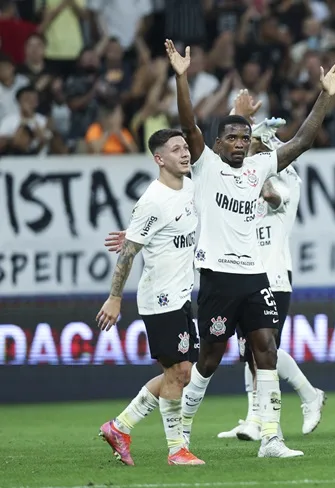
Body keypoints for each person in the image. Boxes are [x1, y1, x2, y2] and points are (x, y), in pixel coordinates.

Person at [165, 40, 335, 458]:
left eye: (245, 137)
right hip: (216, 277)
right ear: (217, 142)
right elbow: (189, 124)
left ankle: (271, 437)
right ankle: (182, 436)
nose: (239, 143)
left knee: (265, 348)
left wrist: (325, 95)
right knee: (209, 361)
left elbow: (301, 141)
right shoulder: (206, 166)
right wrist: (181, 76)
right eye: (231, 137)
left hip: (254, 276)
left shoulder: (258, 168)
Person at [96, 129, 203, 466]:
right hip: (160, 298)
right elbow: (127, 254)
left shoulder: (190, 185)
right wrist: (115, 298)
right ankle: (177, 451)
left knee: (183, 373)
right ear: (159, 159)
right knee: (176, 374)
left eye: (185, 147)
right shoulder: (152, 200)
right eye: (175, 149)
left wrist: (137, 233)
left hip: (182, 293)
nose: (185, 153)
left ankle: (120, 426)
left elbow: (155, 232)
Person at [217, 114, 327, 442]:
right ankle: (254, 417)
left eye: (256, 145)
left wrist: (266, 180)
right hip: (244, 274)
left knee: (263, 348)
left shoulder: (286, 182)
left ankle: (309, 395)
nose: (250, 150)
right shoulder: (243, 180)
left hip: (274, 276)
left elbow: (277, 198)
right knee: (247, 351)